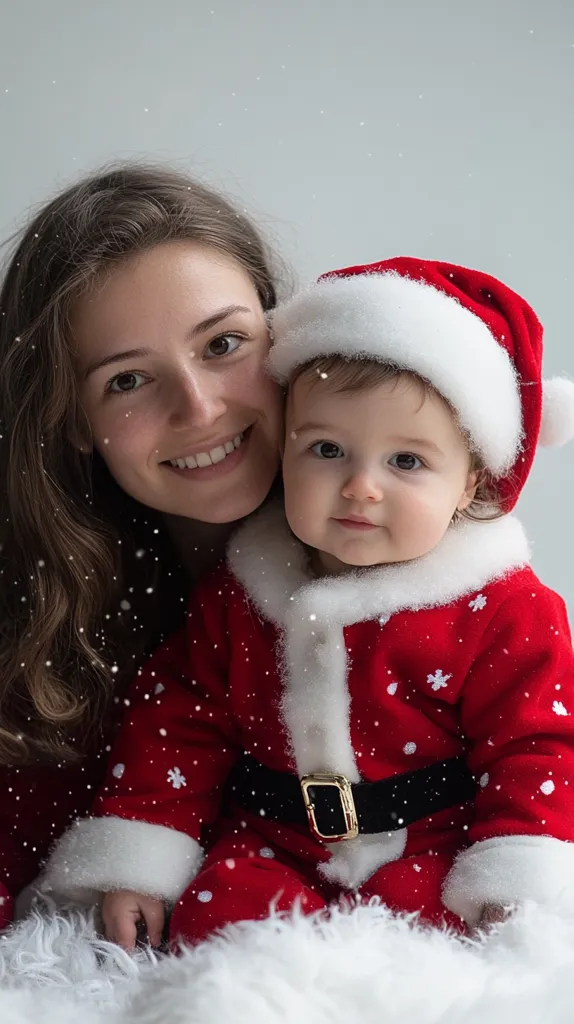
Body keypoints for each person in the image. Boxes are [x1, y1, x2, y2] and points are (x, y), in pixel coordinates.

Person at [40, 256, 574, 949]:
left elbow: (539, 748)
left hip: (428, 845)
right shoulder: (241, 594)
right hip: (271, 843)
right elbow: (178, 725)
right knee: (215, 926)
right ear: (286, 445)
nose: (360, 488)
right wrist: (140, 862)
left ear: (471, 480)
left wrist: (511, 882)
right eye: (327, 449)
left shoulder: (501, 609)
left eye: (405, 461)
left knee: (427, 952)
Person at [0, 163, 287, 931]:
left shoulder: (425, 569)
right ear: (70, 421)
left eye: (224, 343)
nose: (198, 407)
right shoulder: (41, 636)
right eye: (127, 382)